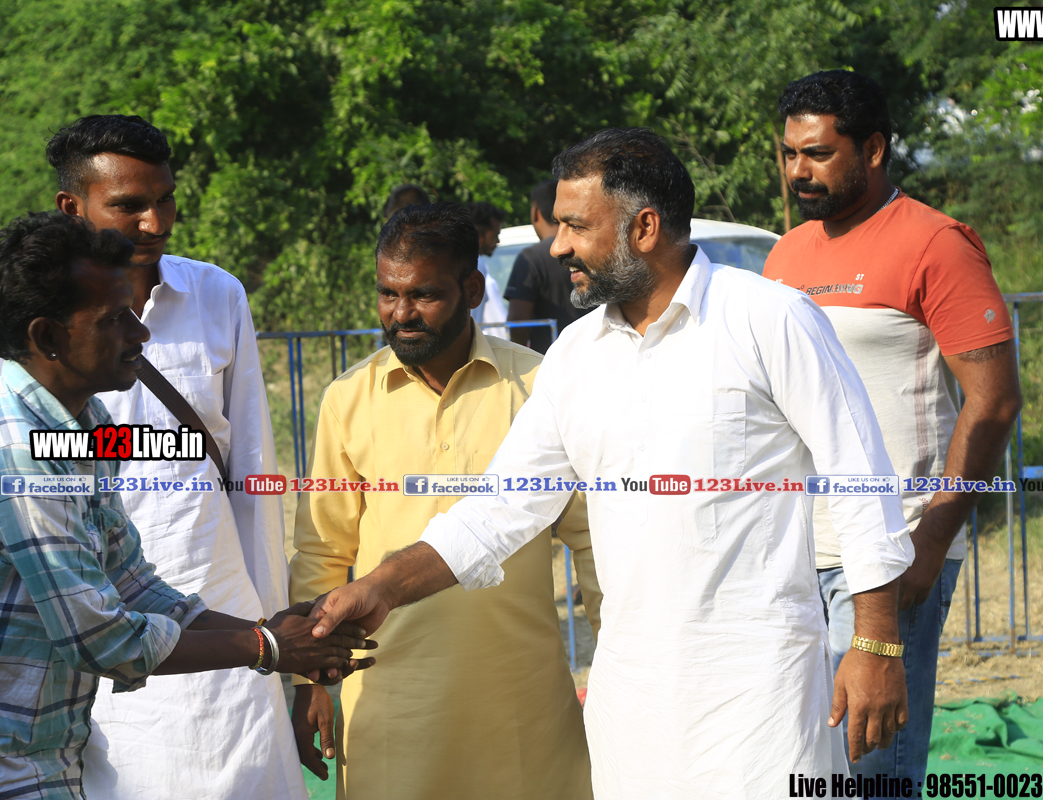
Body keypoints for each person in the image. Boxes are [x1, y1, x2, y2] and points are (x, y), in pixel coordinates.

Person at [308, 128, 917, 797]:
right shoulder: (577, 357)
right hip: (631, 707)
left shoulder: (768, 318)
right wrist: (383, 586)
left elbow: (860, 477)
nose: (556, 245)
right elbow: (498, 510)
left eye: (575, 225)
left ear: (644, 228)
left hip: (756, 699)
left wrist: (876, 643)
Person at [0, 212, 374, 800]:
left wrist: (273, 632)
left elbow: (130, 581)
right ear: (47, 337)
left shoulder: (84, 422)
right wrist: (268, 647)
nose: (140, 334)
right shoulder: (18, 447)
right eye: (115, 319)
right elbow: (99, 638)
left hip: (48, 753)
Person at [763, 70, 1023, 785]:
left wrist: (931, 540)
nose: (798, 171)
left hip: (889, 548)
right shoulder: (787, 254)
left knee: (871, 769)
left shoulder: (936, 243)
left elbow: (995, 401)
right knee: (807, 765)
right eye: (790, 153)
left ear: (873, 148)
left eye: (818, 153)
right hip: (796, 550)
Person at [288, 203, 600, 799]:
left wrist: (619, 664)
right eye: (387, 293)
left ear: (473, 290)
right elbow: (322, 550)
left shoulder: (539, 387)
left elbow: (591, 541)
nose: (401, 314)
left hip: (523, 706)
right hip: (390, 705)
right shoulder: (348, 399)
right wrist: (311, 682)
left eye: (423, 294)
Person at [44, 114, 306, 799]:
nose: (154, 223)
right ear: (72, 208)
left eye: (165, 200)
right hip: (104, 636)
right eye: (129, 205)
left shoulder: (217, 295)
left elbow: (253, 472)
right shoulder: (32, 325)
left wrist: (273, 628)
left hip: (226, 625)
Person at [505, 180, 586, 353]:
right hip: (594, 356)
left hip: (545, 360)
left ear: (535, 211)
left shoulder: (531, 258)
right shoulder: (589, 249)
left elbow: (518, 324)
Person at [466, 200, 510, 338]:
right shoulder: (476, 264)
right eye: (495, 235)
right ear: (480, 235)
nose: (497, 241)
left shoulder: (466, 261)